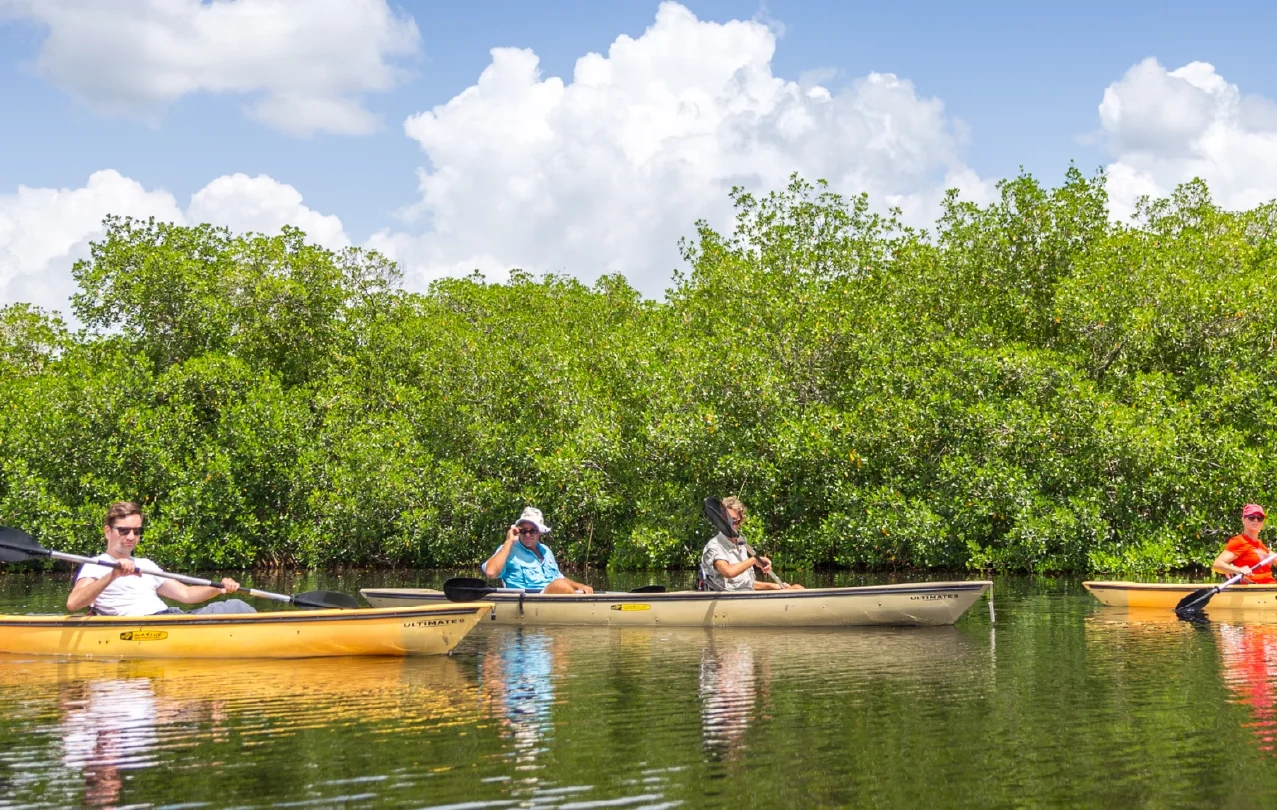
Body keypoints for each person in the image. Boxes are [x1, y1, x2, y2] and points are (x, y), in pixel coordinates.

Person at [66, 501, 256, 615]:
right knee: (235, 607)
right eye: (124, 531)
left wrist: (218, 588)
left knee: (236, 605)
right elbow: (73, 603)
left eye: (136, 531)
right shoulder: (96, 565)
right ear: (108, 532)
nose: (131, 537)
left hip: (169, 618)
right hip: (144, 628)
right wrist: (113, 575)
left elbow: (186, 595)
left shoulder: (146, 565)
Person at [482, 506, 594, 594]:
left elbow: (560, 578)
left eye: (532, 531)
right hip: (528, 601)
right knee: (559, 585)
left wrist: (580, 586)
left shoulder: (546, 551)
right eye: (523, 530)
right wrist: (509, 541)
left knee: (563, 585)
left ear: (539, 531)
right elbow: (490, 573)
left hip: (554, 597)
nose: (527, 534)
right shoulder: (507, 549)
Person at [700, 496, 804, 591]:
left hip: (745, 596)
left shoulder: (742, 545)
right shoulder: (714, 546)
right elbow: (728, 572)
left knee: (797, 588)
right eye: (728, 521)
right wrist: (754, 560)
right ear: (721, 520)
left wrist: (774, 586)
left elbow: (746, 584)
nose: (732, 525)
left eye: (735, 521)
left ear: (741, 521)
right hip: (728, 599)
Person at [1212, 503, 1274, 584]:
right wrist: (1239, 570)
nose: (1256, 520)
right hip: (1253, 590)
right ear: (1243, 520)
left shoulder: (1260, 544)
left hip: (1271, 588)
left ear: (1262, 523)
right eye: (1251, 517)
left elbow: (1274, 558)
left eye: (1260, 518)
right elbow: (1217, 565)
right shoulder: (1238, 541)